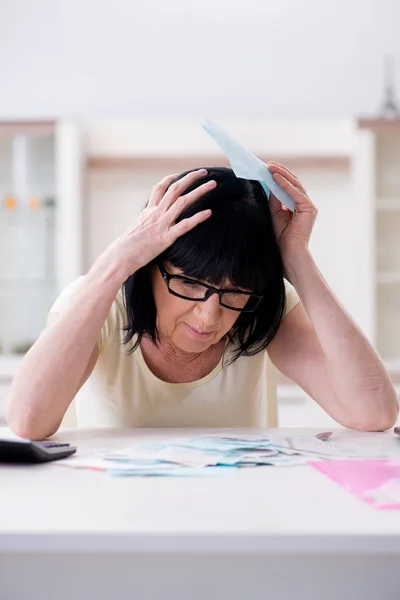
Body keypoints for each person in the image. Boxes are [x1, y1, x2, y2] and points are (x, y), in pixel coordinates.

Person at [6, 164, 399, 440]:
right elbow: (25, 421)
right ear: (150, 266)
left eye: (234, 292)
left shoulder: (257, 308)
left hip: (236, 517)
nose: (211, 315)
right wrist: (116, 263)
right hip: (119, 518)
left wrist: (296, 257)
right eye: (190, 283)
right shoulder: (100, 301)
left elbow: (374, 412)